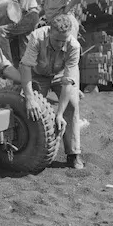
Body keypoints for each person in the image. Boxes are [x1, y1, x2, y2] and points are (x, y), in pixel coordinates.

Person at [19, 13, 84, 169]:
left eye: (64, 41)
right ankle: (30, 149)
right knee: (31, 107)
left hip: (60, 74)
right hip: (37, 74)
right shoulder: (37, 37)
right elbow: (25, 66)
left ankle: (73, 153)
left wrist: (60, 113)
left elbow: (68, 82)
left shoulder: (74, 46)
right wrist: (30, 98)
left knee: (72, 105)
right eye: (56, 40)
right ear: (49, 33)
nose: (61, 45)